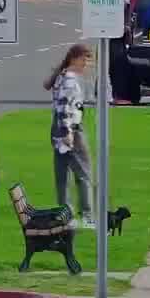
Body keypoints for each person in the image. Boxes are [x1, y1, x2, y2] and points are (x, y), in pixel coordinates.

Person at [46, 44, 95, 229]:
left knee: (62, 173)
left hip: (58, 128)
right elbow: (65, 106)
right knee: (84, 174)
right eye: (85, 60)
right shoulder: (69, 79)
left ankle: (65, 213)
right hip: (70, 129)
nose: (86, 65)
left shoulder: (61, 76)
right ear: (75, 58)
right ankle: (87, 215)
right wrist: (68, 133)